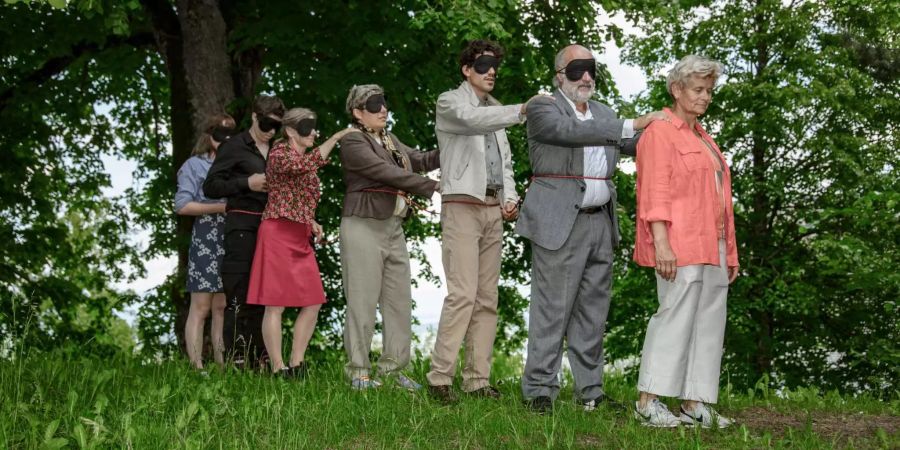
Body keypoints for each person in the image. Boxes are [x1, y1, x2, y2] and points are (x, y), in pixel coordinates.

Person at [515, 44, 666, 414]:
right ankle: (539, 390)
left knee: (593, 313)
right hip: (558, 224)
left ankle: (590, 392)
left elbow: (635, 143)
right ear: (558, 74)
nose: (586, 77)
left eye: (591, 70)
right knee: (552, 310)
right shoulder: (542, 107)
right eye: (577, 69)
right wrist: (632, 123)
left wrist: (670, 129)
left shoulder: (603, 112)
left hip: (601, 222)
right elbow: (566, 131)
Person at [632, 55, 738, 428]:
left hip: (714, 245)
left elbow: (721, 199)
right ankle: (648, 402)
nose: (706, 96)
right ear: (677, 90)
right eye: (698, 89)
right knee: (673, 319)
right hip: (679, 244)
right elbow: (654, 192)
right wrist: (662, 243)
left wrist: (731, 253)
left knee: (709, 323)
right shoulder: (660, 131)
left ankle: (695, 404)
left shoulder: (703, 138)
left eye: (709, 89)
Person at [426, 39, 532, 403]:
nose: (491, 71)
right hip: (461, 205)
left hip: (492, 211)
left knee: (487, 298)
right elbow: (472, 122)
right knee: (463, 294)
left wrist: (510, 198)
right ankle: (440, 377)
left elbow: (505, 164)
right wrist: (521, 109)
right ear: (466, 70)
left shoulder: (497, 110)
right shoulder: (449, 102)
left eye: (494, 66)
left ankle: (476, 380)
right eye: (483, 64)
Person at [338, 84, 440, 390]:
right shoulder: (352, 141)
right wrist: (432, 186)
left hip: (393, 227)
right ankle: (359, 372)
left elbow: (418, 160)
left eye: (384, 103)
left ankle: (393, 371)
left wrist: (454, 148)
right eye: (374, 105)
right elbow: (384, 172)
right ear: (357, 113)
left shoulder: (389, 139)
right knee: (362, 300)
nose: (383, 109)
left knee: (399, 301)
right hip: (362, 225)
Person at [246, 108, 358, 377]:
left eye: (315, 128)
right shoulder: (280, 153)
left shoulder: (303, 157)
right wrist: (339, 135)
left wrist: (312, 221)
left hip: (300, 234)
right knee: (275, 304)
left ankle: (296, 364)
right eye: (308, 128)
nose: (315, 133)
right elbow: (305, 166)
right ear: (291, 131)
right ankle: (277, 367)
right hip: (277, 233)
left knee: (313, 300)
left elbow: (298, 196)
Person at [203, 95, 285, 369]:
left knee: (266, 294)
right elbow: (211, 187)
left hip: (271, 229)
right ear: (253, 116)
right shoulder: (233, 146)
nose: (272, 131)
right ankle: (237, 358)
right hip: (241, 226)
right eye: (267, 124)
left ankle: (263, 357)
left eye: (277, 126)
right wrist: (246, 183)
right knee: (238, 292)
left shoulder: (278, 150)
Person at [175, 114, 235, 369]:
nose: (225, 140)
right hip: (206, 236)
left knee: (222, 304)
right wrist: (218, 208)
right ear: (209, 137)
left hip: (232, 236)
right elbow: (182, 206)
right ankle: (197, 366)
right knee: (201, 305)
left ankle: (222, 366)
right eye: (220, 135)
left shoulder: (237, 165)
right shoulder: (194, 166)